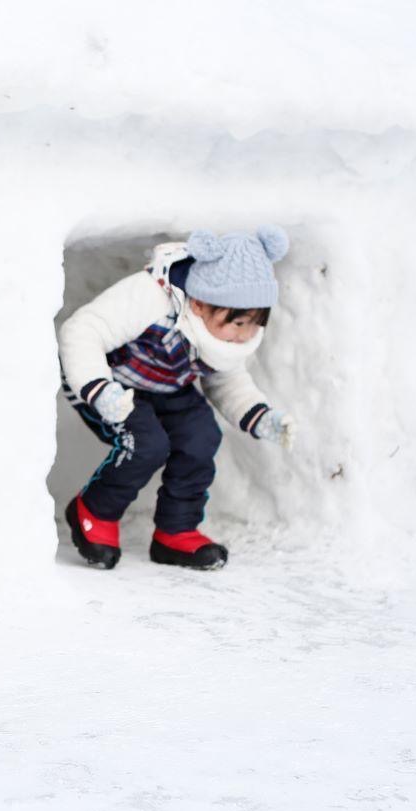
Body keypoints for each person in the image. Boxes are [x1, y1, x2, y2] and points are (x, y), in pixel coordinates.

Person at [57, 227, 296, 571]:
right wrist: (98, 387)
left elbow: (226, 379)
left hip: (167, 387)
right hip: (110, 384)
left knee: (201, 437)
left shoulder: (219, 331)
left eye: (255, 324)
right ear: (199, 303)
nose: (244, 335)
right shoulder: (150, 297)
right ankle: (93, 510)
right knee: (147, 444)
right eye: (239, 322)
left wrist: (262, 417)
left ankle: (176, 530)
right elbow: (83, 330)